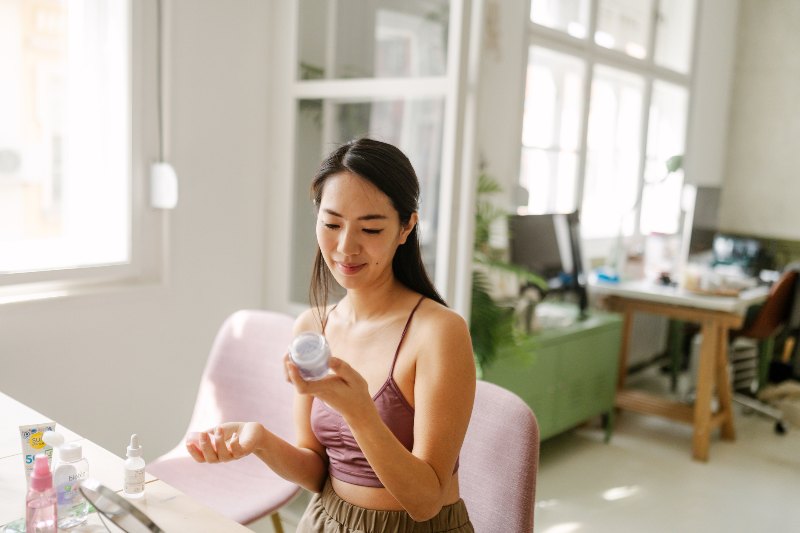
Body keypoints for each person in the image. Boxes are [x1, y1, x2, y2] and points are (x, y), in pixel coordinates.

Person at [187, 138, 476, 532]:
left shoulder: (438, 332)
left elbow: (426, 502)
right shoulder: (312, 327)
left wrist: (359, 412)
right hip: (326, 520)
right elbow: (317, 472)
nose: (345, 247)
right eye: (332, 224)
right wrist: (259, 440)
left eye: (370, 228)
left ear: (406, 227)